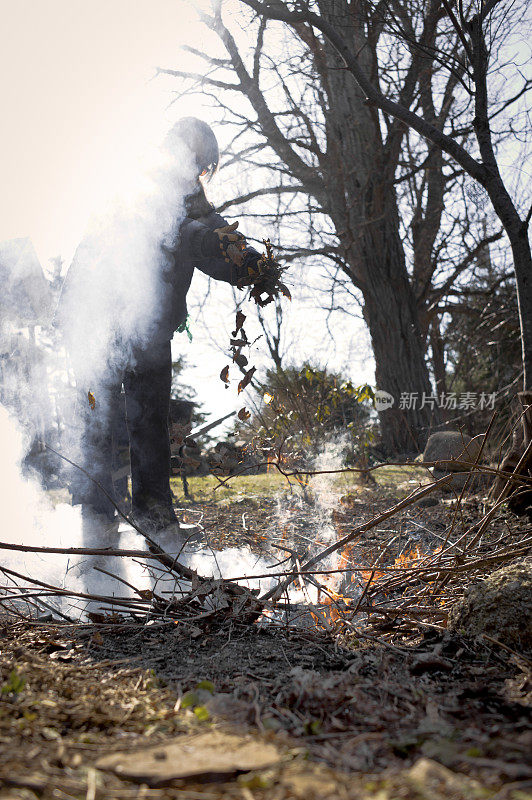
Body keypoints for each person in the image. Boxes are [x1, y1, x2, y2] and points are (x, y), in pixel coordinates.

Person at [57, 117, 264, 537]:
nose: (199, 171)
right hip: (98, 318)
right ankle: (97, 521)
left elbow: (216, 241)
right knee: (102, 419)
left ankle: (154, 520)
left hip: (149, 330)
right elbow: (94, 248)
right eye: (200, 162)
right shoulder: (135, 188)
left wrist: (251, 263)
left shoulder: (193, 202)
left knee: (148, 421)